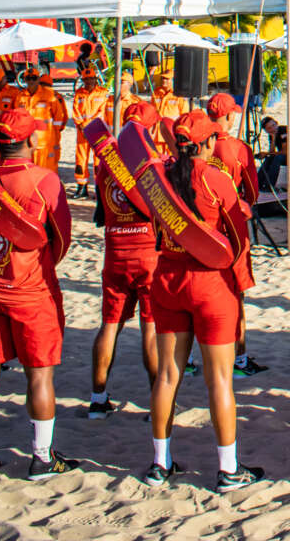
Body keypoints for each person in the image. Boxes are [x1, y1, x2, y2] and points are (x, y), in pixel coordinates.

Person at [144, 110, 262, 491]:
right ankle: (228, 469)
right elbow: (238, 241)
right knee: (220, 380)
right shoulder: (216, 179)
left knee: (167, 375)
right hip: (211, 285)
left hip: (168, 278)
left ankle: (160, 464)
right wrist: (239, 281)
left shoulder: (160, 179)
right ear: (208, 142)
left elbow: (155, 226)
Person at [0, 111, 77, 480]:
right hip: (32, 289)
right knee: (39, 375)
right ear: (30, 141)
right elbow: (61, 238)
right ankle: (41, 458)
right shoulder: (44, 179)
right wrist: (40, 265)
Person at [88, 101, 161, 419]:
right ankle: (158, 400)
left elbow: (102, 209)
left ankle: (97, 398)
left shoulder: (106, 163)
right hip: (148, 254)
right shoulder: (149, 162)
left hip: (115, 251)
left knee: (109, 325)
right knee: (150, 328)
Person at [207, 93, 266, 378]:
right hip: (231, 227)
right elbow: (252, 193)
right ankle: (240, 359)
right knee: (235, 294)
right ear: (230, 116)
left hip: (201, 226)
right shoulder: (238, 148)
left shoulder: (197, 144)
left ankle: (192, 357)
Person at [72, 68, 110, 197]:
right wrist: (81, 125)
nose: (88, 81)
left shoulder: (103, 93)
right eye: (86, 79)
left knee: (98, 160)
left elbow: (102, 111)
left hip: (97, 131)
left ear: (95, 79)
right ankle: (82, 186)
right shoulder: (79, 93)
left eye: (91, 78)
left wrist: (87, 125)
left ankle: (99, 187)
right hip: (82, 132)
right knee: (81, 158)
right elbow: (75, 111)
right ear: (83, 80)